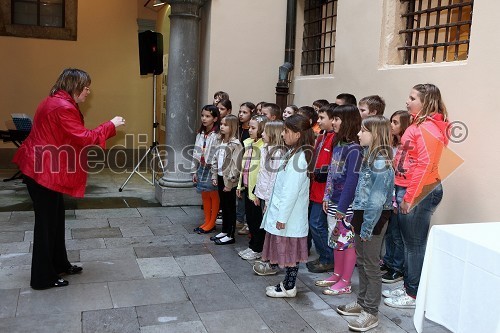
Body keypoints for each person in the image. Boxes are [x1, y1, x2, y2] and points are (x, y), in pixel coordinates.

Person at [12, 68, 125, 290]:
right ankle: (42, 278)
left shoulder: (55, 101)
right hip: (42, 170)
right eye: (85, 87)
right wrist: (111, 124)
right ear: (74, 86)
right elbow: (84, 138)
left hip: (43, 168)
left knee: (55, 220)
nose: (88, 91)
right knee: (45, 225)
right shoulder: (62, 107)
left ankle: (59, 264)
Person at [383, 83, 448, 309]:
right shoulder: (419, 124)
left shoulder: (428, 127)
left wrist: (410, 196)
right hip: (410, 188)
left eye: (412, 98)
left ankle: (413, 294)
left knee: (414, 245)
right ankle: (410, 285)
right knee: (408, 243)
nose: (407, 101)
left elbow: (424, 164)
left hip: (420, 190)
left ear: (426, 101)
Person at [336, 116, 394, 332]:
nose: (359, 134)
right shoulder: (369, 157)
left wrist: (367, 227)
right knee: (362, 261)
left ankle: (371, 312)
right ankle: (361, 303)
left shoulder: (380, 163)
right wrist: (356, 218)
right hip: (363, 214)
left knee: (370, 265)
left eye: (363, 130)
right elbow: (363, 194)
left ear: (375, 134)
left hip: (374, 218)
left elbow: (377, 201)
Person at [261, 114, 314, 298]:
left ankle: (289, 286)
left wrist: (281, 217)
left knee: (291, 253)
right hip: (287, 214)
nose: (283, 134)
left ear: (298, 134)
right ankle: (287, 284)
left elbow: (290, 192)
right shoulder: (294, 153)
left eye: (286, 131)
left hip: (289, 216)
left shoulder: (299, 158)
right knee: (291, 252)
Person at [318, 104, 362, 295]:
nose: (333, 122)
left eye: (337, 119)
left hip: (347, 205)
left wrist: (343, 207)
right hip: (335, 200)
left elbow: (352, 180)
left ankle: (345, 281)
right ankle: (337, 274)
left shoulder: (354, 149)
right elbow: (331, 174)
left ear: (348, 122)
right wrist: (327, 195)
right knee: (336, 239)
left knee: (347, 242)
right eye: (333, 119)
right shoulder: (338, 143)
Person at [250, 121, 286, 275]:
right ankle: (269, 257)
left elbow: (274, 179)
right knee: (266, 228)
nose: (262, 134)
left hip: (271, 197)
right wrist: (258, 194)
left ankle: (274, 261)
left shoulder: (277, 153)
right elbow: (261, 174)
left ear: (273, 134)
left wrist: (268, 201)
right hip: (263, 194)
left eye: (265, 131)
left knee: (272, 230)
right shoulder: (266, 149)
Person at [306, 103, 337, 273]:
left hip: (325, 190)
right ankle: (325, 256)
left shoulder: (335, 139)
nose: (319, 121)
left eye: (322, 118)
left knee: (316, 224)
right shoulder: (322, 135)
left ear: (333, 120)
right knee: (317, 224)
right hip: (316, 187)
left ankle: (328, 258)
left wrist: (323, 172)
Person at [381, 110, 411, 284]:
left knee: (397, 233)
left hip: (399, 192)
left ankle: (397, 268)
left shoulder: (405, 148)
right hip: (390, 193)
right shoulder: (391, 145)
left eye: (395, 123)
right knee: (391, 232)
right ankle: (389, 261)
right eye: (391, 122)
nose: (391, 126)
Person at [236, 115, 268, 258]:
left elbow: (262, 172)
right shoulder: (248, 143)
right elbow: (244, 166)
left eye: (253, 128)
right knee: (250, 219)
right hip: (247, 187)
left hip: (257, 191)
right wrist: (239, 185)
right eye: (249, 127)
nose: (250, 130)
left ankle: (258, 248)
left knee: (257, 222)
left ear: (261, 129)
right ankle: (252, 245)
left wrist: (256, 193)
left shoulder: (263, 147)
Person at [210, 115, 243, 245]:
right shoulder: (219, 141)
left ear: (233, 127)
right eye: (221, 124)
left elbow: (236, 165)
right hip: (220, 176)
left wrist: (229, 183)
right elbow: (215, 158)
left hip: (229, 180)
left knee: (230, 207)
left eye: (225, 125)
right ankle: (224, 230)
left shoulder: (236, 144)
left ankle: (230, 234)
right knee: (223, 206)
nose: (222, 127)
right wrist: (214, 176)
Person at [192, 105, 220, 234]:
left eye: (208, 116)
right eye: (203, 115)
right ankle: (207, 220)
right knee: (204, 194)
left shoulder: (217, 134)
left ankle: (212, 222)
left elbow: (217, 154)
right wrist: (194, 170)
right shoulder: (201, 133)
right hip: (201, 167)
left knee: (212, 194)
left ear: (215, 118)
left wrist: (214, 171)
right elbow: (196, 152)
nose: (204, 118)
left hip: (211, 168)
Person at [236, 102, 255, 233]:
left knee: (247, 193)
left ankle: (248, 222)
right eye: (240, 112)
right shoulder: (238, 128)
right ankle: (239, 218)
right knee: (240, 192)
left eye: (245, 112)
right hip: (238, 163)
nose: (241, 115)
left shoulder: (252, 134)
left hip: (249, 164)